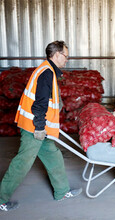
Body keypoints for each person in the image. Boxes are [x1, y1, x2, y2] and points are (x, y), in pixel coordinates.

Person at [0, 41, 82, 212]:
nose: (67, 60)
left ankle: (61, 191)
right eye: (66, 56)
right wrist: (38, 127)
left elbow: (47, 98)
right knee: (22, 162)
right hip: (34, 128)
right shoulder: (46, 73)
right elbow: (40, 103)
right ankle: (1, 198)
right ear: (57, 54)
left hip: (39, 127)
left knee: (53, 156)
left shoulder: (47, 70)